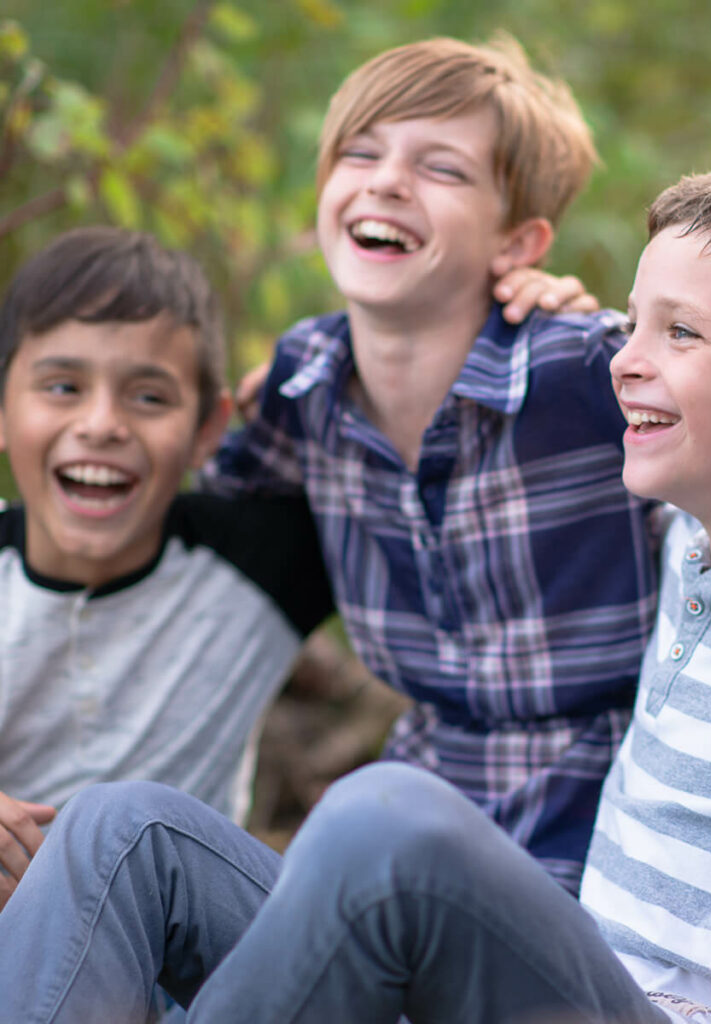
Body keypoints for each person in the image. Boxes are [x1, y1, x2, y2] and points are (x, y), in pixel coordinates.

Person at [0, 163, 711, 1024]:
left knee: (388, 822)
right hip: (543, 979)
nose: (622, 360)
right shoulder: (686, 541)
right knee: (121, 831)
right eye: (631, 325)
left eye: (679, 333)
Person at [200, 35, 662, 892]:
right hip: (415, 803)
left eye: (442, 169)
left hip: (604, 817)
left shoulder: (582, 372)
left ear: (518, 242)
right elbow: (193, 534)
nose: (384, 181)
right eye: (361, 153)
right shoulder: (304, 387)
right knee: (128, 842)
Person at [0, 225, 566, 910]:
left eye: (148, 397)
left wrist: (529, 332)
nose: (101, 423)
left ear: (209, 429)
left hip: (179, 968)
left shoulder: (255, 558)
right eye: (62, 386)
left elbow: (444, 489)